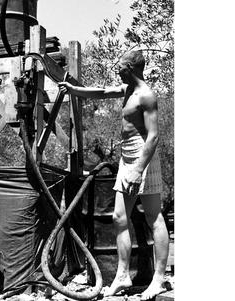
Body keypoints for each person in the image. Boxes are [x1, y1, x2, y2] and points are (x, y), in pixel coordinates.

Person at [58, 51, 169, 300]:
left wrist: (139, 170)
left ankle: (159, 279)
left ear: (130, 67)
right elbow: (102, 92)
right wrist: (74, 91)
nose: (116, 70)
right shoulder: (126, 89)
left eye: (120, 66)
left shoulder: (146, 96)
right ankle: (122, 275)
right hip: (126, 157)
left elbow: (153, 136)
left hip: (144, 159)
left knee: (153, 217)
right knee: (119, 217)